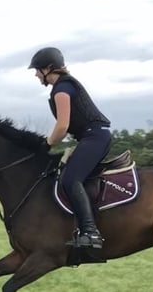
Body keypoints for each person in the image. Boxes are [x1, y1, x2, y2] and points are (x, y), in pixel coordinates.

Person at [28, 46, 112, 249]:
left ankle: (90, 232)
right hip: (91, 137)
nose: (37, 75)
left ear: (49, 68)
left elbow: (62, 126)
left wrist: (46, 144)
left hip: (95, 137)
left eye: (38, 70)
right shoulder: (63, 87)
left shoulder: (62, 89)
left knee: (70, 180)